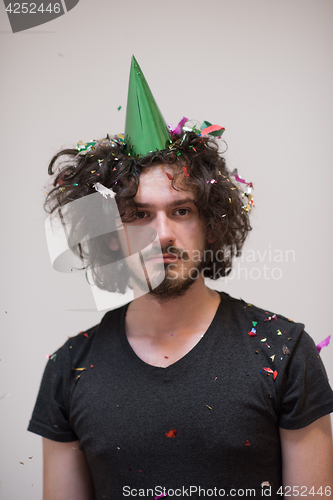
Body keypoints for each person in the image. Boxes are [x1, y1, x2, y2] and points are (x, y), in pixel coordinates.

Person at [28, 57, 333, 500]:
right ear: (111, 237)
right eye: (138, 215)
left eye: (181, 210)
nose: (163, 234)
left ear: (209, 224)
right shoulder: (67, 367)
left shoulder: (284, 351)